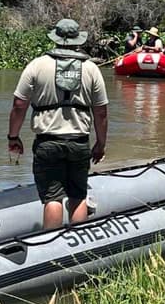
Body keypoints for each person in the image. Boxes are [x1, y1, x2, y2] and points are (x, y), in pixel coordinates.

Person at [7, 18, 109, 230]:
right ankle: (79, 239)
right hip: (79, 142)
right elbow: (101, 113)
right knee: (78, 195)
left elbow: (19, 105)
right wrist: (101, 144)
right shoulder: (91, 68)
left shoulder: (37, 65)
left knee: (52, 197)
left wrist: (13, 137)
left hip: (47, 143)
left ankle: (51, 241)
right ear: (78, 40)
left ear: (55, 38)